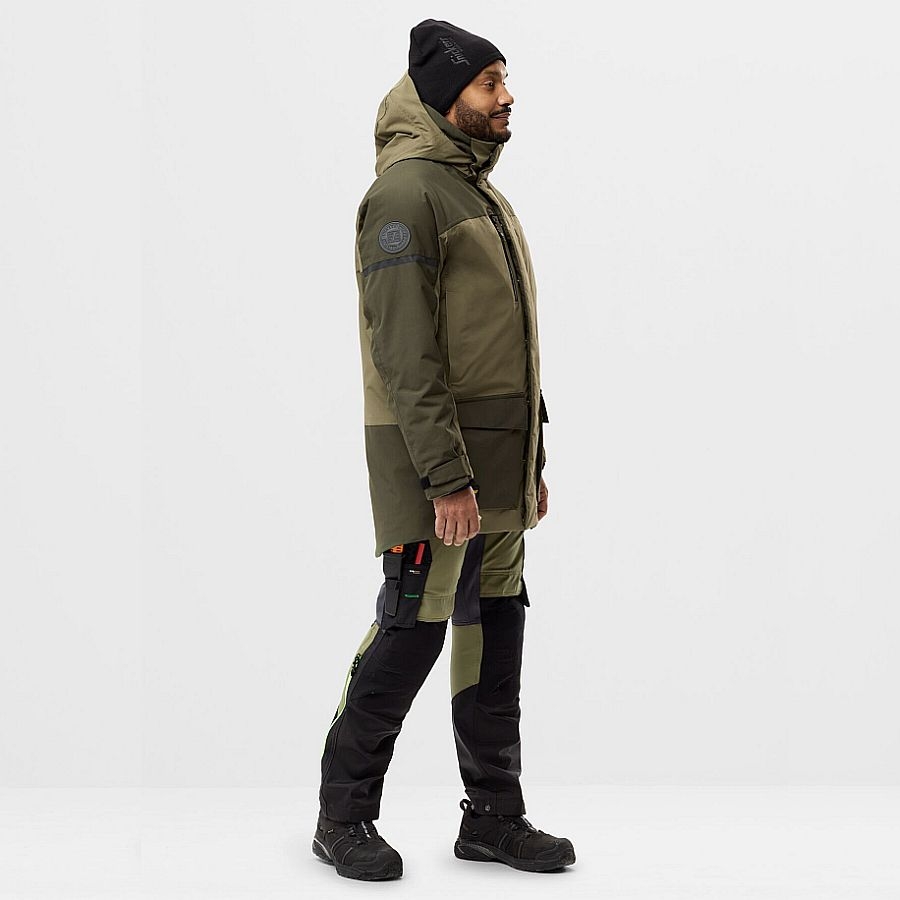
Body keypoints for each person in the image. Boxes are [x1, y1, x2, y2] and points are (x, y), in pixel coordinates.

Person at [311, 18, 576, 881]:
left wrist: (530, 466)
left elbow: (509, 345)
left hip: (497, 464)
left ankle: (493, 815)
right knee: (412, 624)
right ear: (443, 94)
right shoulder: (405, 198)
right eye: (490, 82)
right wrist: (446, 475)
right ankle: (342, 816)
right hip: (437, 468)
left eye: (505, 80)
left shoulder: (478, 193)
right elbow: (405, 353)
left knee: (495, 624)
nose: (508, 97)